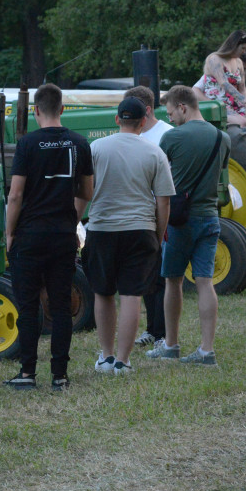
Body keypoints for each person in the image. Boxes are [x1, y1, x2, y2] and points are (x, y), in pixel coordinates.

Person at [3, 83, 93, 391]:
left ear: (36, 110)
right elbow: (87, 193)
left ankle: (27, 373)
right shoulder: (79, 143)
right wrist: (71, 219)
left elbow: (15, 195)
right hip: (62, 236)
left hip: (29, 236)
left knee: (28, 306)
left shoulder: (27, 144)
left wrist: (9, 233)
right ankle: (60, 376)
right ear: (63, 109)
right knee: (60, 305)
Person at [83, 97, 174, 376]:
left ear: (116, 120)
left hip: (101, 229)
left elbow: (84, 191)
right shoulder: (154, 153)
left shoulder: (95, 148)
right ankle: (123, 361)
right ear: (144, 122)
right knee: (132, 295)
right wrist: (158, 235)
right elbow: (163, 202)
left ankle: (106, 357)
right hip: (140, 230)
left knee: (103, 293)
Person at [147, 86, 230, 366]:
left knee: (173, 280)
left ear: (182, 107)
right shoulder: (223, 138)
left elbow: (158, 177)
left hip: (180, 220)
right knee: (205, 282)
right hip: (210, 217)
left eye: (171, 113)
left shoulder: (172, 138)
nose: (170, 120)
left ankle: (171, 345)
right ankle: (207, 351)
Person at [124, 85, 172, 349]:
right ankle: (153, 330)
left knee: (161, 275)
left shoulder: (167, 134)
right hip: (138, 214)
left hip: (159, 211)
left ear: (148, 111)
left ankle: (163, 332)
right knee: (147, 276)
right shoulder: (132, 136)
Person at [202, 30, 246, 137]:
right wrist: (243, 99)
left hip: (236, 104)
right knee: (242, 123)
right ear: (233, 45)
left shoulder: (239, 62)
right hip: (219, 105)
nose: (244, 52)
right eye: (243, 48)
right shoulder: (214, 59)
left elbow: (242, 88)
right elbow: (224, 84)